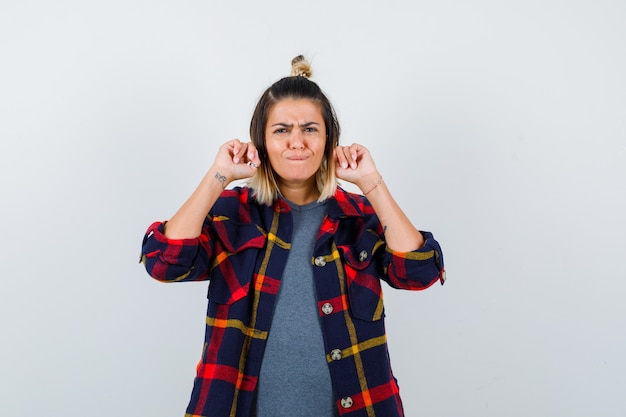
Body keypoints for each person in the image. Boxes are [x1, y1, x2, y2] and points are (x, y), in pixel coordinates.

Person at [140, 55, 445, 417]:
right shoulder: (230, 214)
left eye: (310, 129)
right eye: (281, 130)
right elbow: (163, 263)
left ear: (329, 139)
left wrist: (371, 183)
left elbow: (419, 273)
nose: (296, 142)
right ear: (262, 142)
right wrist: (219, 174)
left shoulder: (360, 216)